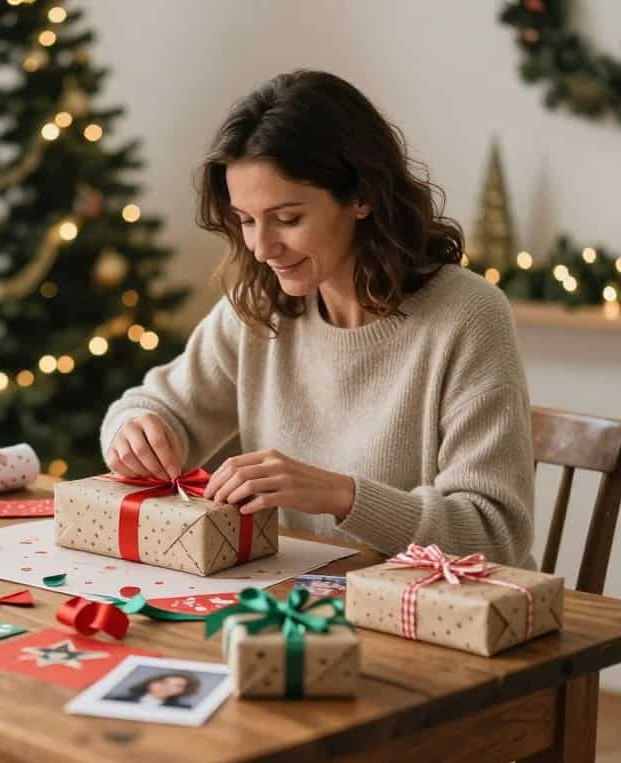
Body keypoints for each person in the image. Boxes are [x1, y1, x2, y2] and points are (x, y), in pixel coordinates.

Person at [100, 70, 535, 568]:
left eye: (287, 219)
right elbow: (152, 407)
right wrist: (135, 432)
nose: (262, 248)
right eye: (246, 220)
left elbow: (493, 535)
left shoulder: (468, 315)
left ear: (361, 197)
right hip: (296, 597)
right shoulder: (259, 307)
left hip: (424, 609)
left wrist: (340, 495)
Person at [105, 672, 201, 708]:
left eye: (177, 686)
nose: (167, 687)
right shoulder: (116, 700)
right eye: (163, 682)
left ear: (183, 691)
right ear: (151, 682)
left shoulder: (183, 709)